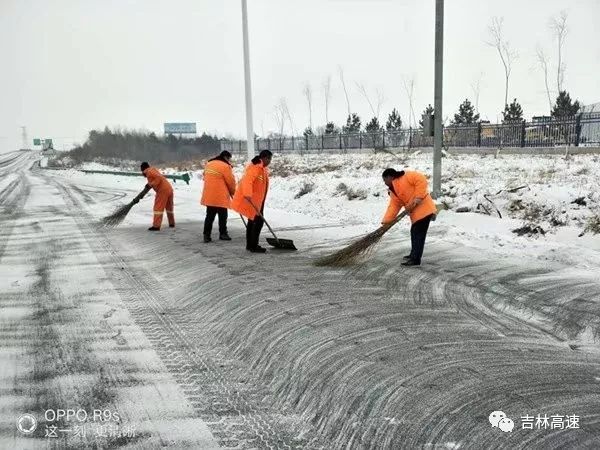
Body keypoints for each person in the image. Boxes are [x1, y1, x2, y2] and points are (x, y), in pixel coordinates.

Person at [381, 168, 437, 266]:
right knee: (415, 232)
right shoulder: (393, 190)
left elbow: (421, 179)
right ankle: (413, 255)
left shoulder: (406, 176)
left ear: (390, 177)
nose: (384, 182)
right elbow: (394, 206)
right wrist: (387, 221)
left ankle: (415, 259)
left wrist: (418, 197)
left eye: (385, 180)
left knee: (417, 233)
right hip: (416, 213)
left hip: (425, 208)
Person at [231, 150, 272, 253]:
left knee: (252, 221)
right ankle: (253, 245)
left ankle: (250, 245)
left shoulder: (261, 168)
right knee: (257, 222)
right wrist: (248, 194)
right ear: (264, 158)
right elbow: (247, 181)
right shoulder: (256, 168)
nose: (270, 161)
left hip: (258, 200)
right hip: (253, 200)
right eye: (269, 159)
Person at [200, 151, 236, 242]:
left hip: (209, 194)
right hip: (220, 195)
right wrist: (233, 192)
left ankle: (206, 235)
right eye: (229, 159)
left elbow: (204, 176)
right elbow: (230, 181)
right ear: (225, 157)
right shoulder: (225, 166)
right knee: (223, 215)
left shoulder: (209, 164)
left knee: (210, 216)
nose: (229, 161)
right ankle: (223, 234)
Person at [133, 162, 175, 231]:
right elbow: (155, 179)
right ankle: (171, 223)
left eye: (142, 171)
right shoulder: (153, 170)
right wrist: (148, 186)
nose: (142, 173)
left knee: (158, 208)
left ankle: (156, 226)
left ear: (143, 169)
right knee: (169, 208)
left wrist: (151, 184)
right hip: (169, 189)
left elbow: (157, 179)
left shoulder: (148, 171)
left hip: (162, 191)